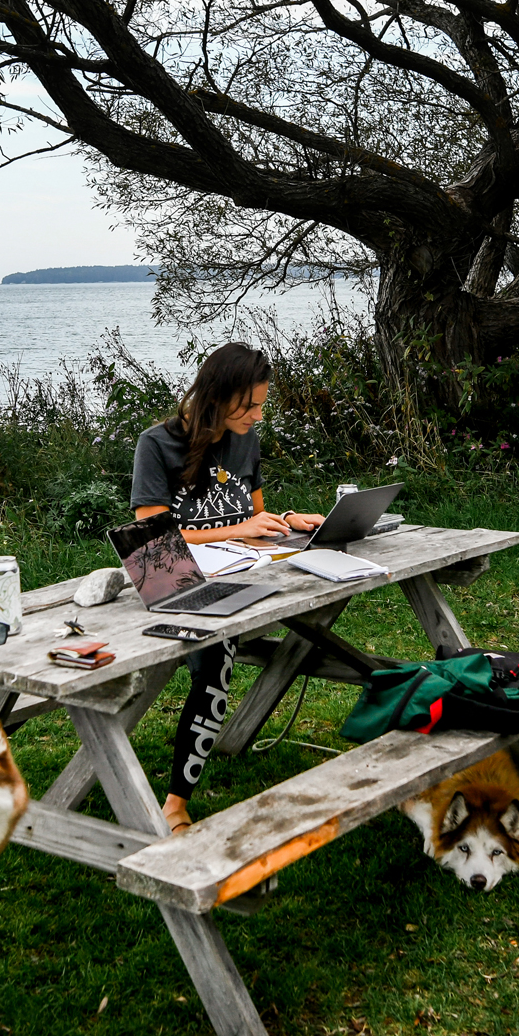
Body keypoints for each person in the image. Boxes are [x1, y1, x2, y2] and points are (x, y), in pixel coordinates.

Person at [131, 342, 322, 833]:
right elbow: (152, 541)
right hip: (175, 582)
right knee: (216, 660)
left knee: (284, 625)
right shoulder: (157, 445)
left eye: (262, 404)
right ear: (216, 397)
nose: (258, 415)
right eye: (250, 405)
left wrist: (287, 520)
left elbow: (253, 513)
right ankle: (175, 803)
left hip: (245, 574)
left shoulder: (245, 441)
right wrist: (238, 530)